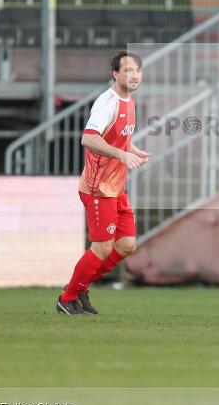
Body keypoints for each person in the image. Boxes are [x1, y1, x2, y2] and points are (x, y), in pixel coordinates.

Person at [57, 51, 150, 315]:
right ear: (115, 74)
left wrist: (133, 148)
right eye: (128, 70)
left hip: (116, 187)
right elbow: (89, 138)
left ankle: (79, 286)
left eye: (138, 71)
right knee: (102, 247)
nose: (134, 76)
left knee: (127, 244)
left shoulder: (129, 102)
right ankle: (68, 297)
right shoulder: (106, 102)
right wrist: (122, 154)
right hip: (99, 187)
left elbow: (116, 136)